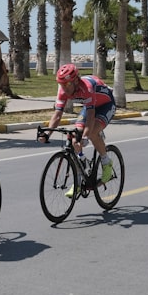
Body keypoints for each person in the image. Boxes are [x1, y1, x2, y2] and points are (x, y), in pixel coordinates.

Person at [39, 63, 117, 197]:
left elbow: (91, 116)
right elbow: (57, 114)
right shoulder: (63, 88)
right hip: (89, 107)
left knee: (91, 133)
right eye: (62, 84)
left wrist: (85, 137)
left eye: (67, 84)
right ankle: (79, 181)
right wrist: (47, 134)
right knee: (75, 139)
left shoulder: (87, 87)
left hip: (106, 105)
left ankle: (106, 163)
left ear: (76, 81)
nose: (65, 88)